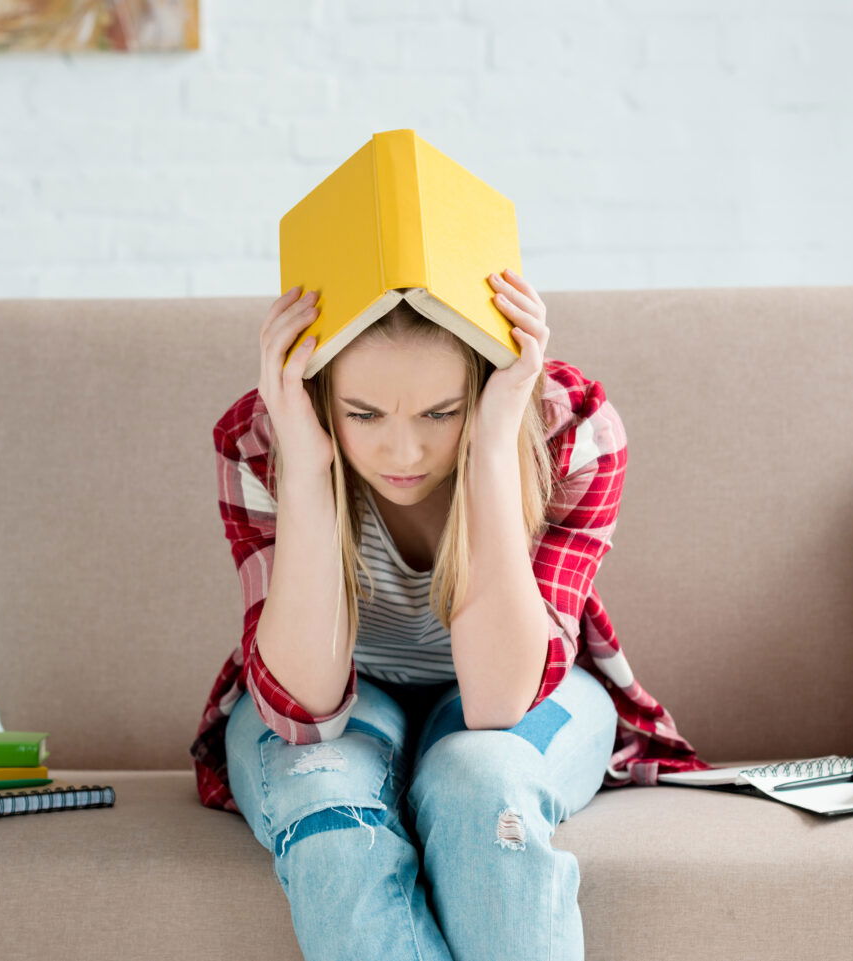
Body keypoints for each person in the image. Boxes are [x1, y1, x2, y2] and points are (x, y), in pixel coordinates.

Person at [188, 270, 710, 961]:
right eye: (363, 414)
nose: (403, 454)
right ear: (319, 394)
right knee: (328, 804)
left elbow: (499, 702)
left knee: (482, 783)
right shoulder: (262, 437)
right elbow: (305, 712)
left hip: (527, 688)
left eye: (441, 413)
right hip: (346, 688)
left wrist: (492, 450)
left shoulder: (570, 427)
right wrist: (310, 470)